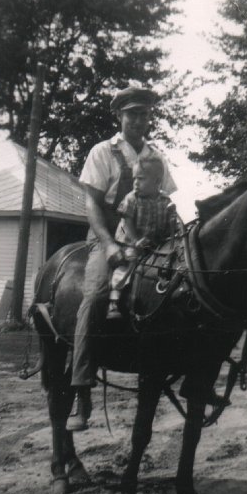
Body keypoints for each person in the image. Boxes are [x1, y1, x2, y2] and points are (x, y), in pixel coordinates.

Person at [66, 86, 177, 431]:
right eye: (132, 114)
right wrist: (109, 245)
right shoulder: (103, 152)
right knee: (97, 294)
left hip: (153, 241)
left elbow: (166, 202)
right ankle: (80, 388)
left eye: (144, 114)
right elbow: (91, 205)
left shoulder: (156, 156)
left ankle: (187, 367)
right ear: (120, 116)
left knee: (181, 290)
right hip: (111, 239)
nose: (139, 120)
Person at [107, 154, 174, 320]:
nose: (135, 183)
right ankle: (114, 300)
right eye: (134, 178)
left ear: (157, 182)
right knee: (128, 263)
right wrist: (136, 240)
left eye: (141, 179)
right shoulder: (132, 199)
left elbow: (170, 223)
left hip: (155, 244)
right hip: (131, 242)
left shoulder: (165, 200)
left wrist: (173, 229)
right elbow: (127, 221)